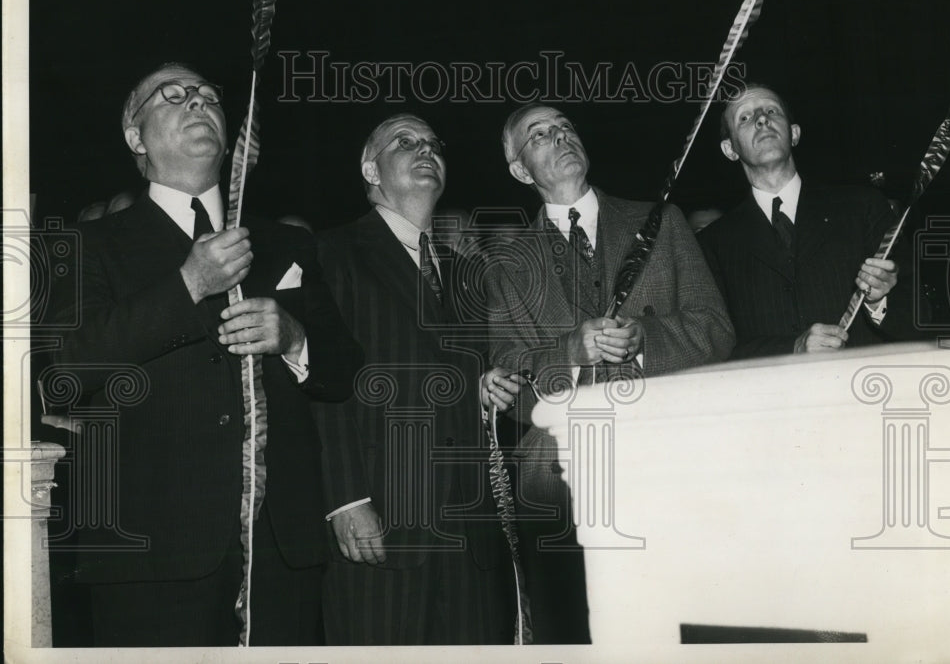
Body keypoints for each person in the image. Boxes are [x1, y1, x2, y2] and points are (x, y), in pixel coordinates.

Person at [44, 62, 362, 646]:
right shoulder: (90, 245)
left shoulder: (286, 242)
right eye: (173, 96)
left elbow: (343, 373)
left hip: (279, 551)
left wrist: (294, 339)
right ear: (136, 138)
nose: (197, 101)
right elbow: (68, 369)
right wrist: (188, 284)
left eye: (207, 95)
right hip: (150, 552)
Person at [486, 102, 735, 643]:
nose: (560, 137)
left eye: (565, 127)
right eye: (540, 135)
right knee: (577, 637)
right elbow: (508, 376)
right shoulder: (505, 262)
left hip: (665, 463)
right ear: (520, 170)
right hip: (559, 488)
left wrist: (647, 339)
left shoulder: (659, 222)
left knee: (676, 631)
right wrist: (568, 354)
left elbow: (717, 330)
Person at [314, 113, 521, 645]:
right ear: (370, 169)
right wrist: (346, 499)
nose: (425, 149)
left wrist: (480, 388)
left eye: (432, 143)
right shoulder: (330, 254)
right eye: (404, 143)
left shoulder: (463, 272)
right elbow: (322, 385)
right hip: (382, 517)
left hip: (470, 531)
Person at [697, 83, 916, 359]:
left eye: (771, 111)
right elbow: (714, 345)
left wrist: (880, 300)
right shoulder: (712, 244)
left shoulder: (862, 207)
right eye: (745, 117)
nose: (762, 119)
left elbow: (919, 314)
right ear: (730, 149)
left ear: (794, 133)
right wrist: (792, 348)